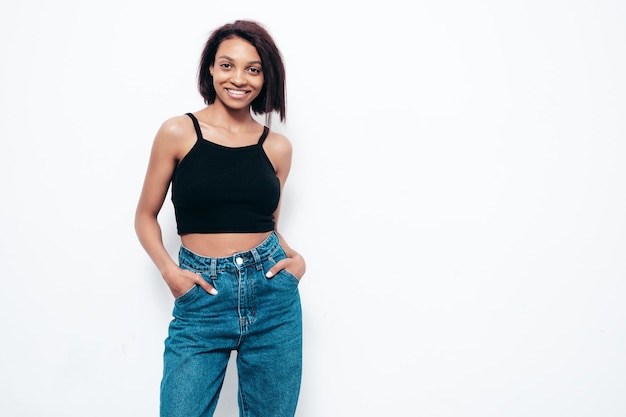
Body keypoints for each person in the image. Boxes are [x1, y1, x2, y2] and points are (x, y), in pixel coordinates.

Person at [134, 19, 305, 417]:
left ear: (265, 78)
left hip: (273, 299)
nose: (239, 78)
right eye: (227, 65)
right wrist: (169, 272)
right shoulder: (178, 132)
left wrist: (295, 261)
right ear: (210, 69)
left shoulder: (277, 147)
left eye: (253, 68)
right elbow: (145, 215)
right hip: (202, 297)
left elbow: (269, 225)